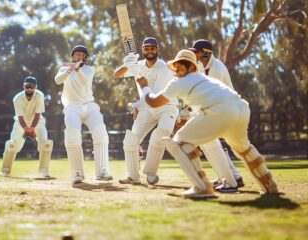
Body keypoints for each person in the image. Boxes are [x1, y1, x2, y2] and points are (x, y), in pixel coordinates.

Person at [136, 49, 278, 198]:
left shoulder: (179, 82)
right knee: (244, 149)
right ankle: (269, 184)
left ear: (191, 67)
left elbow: (153, 102)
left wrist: (144, 85)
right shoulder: (205, 79)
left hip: (220, 111)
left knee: (180, 142)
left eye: (181, 65)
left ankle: (202, 187)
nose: (177, 69)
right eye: (176, 65)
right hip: (240, 108)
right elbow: (208, 103)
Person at [114, 37, 178, 185]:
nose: (150, 51)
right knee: (130, 140)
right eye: (147, 48)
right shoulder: (138, 65)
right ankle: (132, 176)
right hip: (147, 108)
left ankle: (151, 173)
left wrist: (137, 104)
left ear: (157, 49)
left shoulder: (165, 68)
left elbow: (155, 96)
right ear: (143, 50)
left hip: (167, 106)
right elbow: (117, 74)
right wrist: (127, 64)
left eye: (152, 48)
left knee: (161, 133)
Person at [189, 39, 244, 192]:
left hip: (229, 108)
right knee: (211, 143)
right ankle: (233, 177)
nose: (194, 55)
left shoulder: (217, 69)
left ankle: (230, 179)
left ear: (206, 53)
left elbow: (212, 95)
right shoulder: (201, 65)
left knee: (211, 142)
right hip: (218, 108)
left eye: (196, 52)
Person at [54, 45, 112, 184]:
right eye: (77, 55)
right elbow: (57, 80)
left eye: (82, 55)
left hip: (89, 106)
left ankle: (102, 171)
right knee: (72, 136)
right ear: (73, 56)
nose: (80, 57)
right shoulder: (64, 69)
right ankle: (77, 173)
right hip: (72, 106)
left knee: (101, 133)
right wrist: (69, 69)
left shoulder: (89, 69)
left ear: (85, 58)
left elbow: (84, 81)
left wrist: (77, 68)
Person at [0, 76, 53, 178]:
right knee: (13, 145)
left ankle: (43, 171)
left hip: (38, 123)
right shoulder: (17, 98)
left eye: (32, 87)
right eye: (27, 86)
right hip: (20, 124)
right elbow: (20, 117)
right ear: (23, 86)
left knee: (45, 144)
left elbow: (37, 115)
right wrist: (26, 129)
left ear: (35, 87)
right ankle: (5, 171)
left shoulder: (40, 95)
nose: (29, 89)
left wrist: (32, 128)